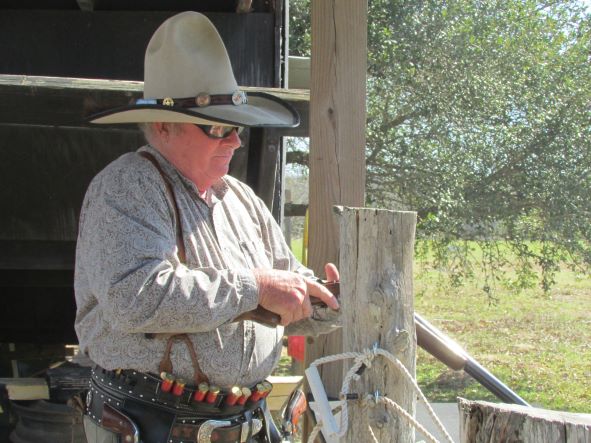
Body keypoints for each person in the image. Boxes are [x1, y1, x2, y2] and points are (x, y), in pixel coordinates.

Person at [74, 11, 340, 443]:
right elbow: (136, 297)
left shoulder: (241, 199)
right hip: (151, 425)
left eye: (235, 127)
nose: (235, 140)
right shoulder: (126, 186)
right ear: (164, 125)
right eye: (217, 127)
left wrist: (327, 301)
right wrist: (257, 287)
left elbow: (282, 294)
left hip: (242, 423)